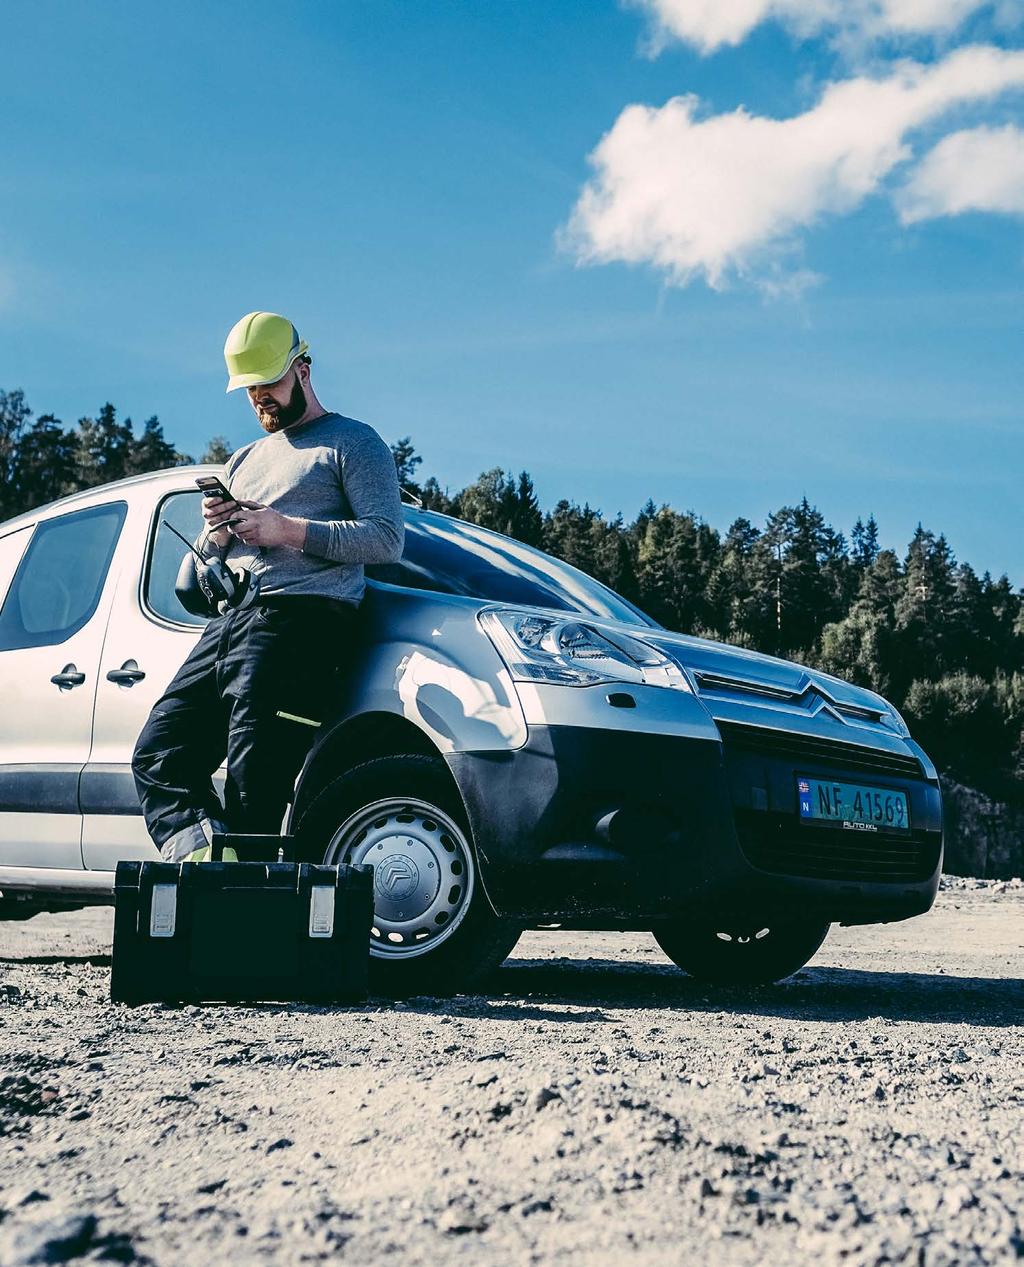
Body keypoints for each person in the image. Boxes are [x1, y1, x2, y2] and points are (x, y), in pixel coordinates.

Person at [131, 311, 406, 862]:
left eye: (269, 385)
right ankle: (209, 861)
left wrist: (287, 530)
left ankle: (246, 918)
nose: (261, 400)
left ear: (302, 369)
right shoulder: (245, 459)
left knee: (255, 786)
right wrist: (216, 534)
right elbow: (221, 552)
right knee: (160, 752)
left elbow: (385, 540)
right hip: (235, 620)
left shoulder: (353, 442)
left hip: (304, 622)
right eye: (251, 390)